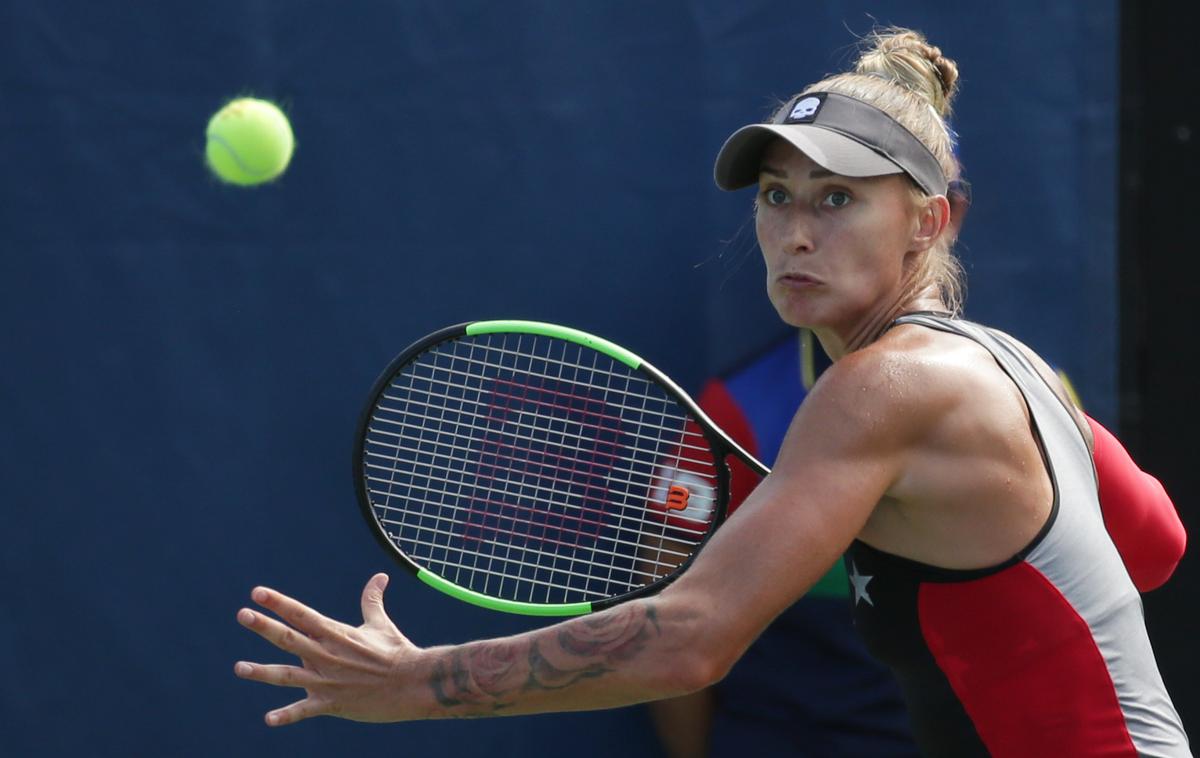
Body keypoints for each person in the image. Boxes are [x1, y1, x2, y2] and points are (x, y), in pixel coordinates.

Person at [235, 28, 1189, 756]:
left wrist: (412, 683)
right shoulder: (1010, 365)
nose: (795, 232)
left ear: (928, 220)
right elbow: (1156, 545)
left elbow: (688, 642)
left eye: (838, 197)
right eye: (776, 195)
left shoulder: (885, 386)